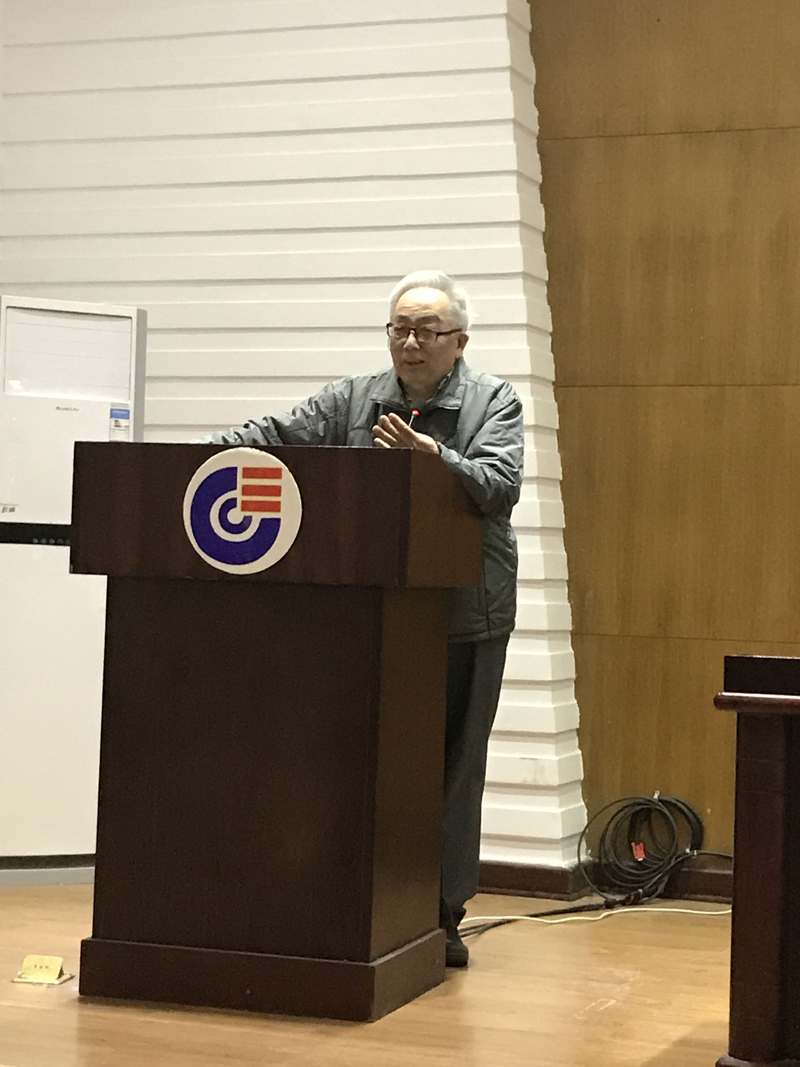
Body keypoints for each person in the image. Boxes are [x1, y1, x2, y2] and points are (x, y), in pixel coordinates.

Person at [205, 270, 524, 966]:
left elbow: (499, 486)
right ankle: (356, 905)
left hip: (464, 615)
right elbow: (274, 433)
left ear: (460, 340)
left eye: (427, 331)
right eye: (400, 329)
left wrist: (432, 456)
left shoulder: (494, 401)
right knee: (360, 761)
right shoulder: (354, 398)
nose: (411, 343)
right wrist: (198, 457)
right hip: (367, 614)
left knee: (451, 770)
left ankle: (440, 914)